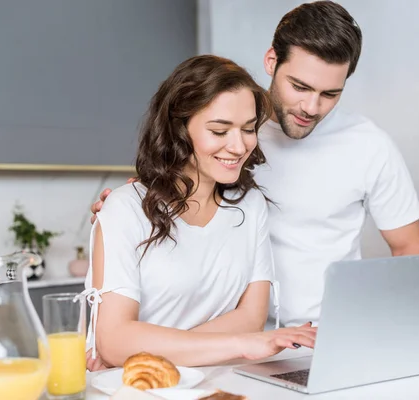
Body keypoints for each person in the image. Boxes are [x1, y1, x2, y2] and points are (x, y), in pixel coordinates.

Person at [91, 2, 419, 330]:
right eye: (300, 86)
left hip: (325, 333)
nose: (311, 107)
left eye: (330, 94)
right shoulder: (230, 137)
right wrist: (126, 210)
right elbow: (167, 192)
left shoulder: (370, 146)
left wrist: (400, 336)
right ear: (271, 61)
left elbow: (409, 248)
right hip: (231, 335)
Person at [82, 54, 316, 371]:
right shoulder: (125, 208)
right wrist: (239, 344)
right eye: (219, 131)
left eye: (248, 129)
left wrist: (147, 349)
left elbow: (251, 318)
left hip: (214, 384)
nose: (238, 146)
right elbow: (114, 341)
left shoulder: (250, 205)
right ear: (179, 130)